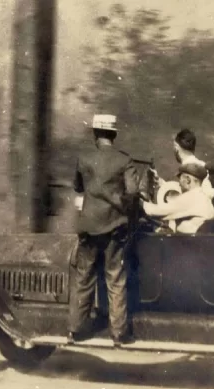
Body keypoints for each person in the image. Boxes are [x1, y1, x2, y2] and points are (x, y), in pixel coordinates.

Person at [70, 114, 139, 346]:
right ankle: (118, 333)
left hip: (88, 227)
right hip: (114, 226)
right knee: (115, 278)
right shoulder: (124, 160)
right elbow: (132, 192)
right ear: (114, 134)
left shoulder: (84, 158)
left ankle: (77, 329)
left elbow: (78, 187)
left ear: (95, 134)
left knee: (84, 276)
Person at [142, 163, 214, 233]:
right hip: (198, 240)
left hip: (188, 243)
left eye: (180, 179)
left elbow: (155, 211)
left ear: (188, 180)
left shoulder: (190, 197)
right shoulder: (202, 196)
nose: (179, 183)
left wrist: (139, 202)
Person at [153, 129, 214, 198]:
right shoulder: (203, 165)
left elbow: (186, 198)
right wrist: (163, 184)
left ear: (176, 148)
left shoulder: (186, 170)